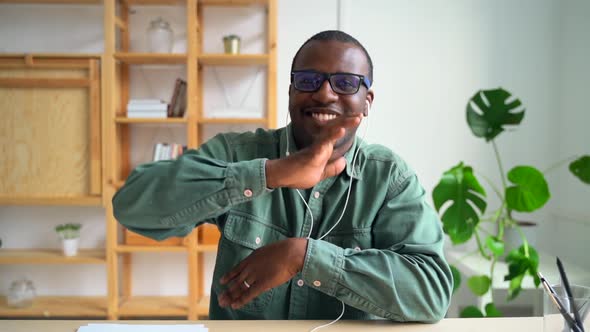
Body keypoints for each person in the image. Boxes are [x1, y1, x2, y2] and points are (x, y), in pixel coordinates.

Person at [113, 30, 453, 322]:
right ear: (291, 91)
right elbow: (132, 206)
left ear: (367, 101)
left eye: (346, 83)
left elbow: (431, 293)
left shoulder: (390, 178)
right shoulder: (240, 152)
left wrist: (303, 257)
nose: (324, 93)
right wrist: (271, 173)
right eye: (308, 80)